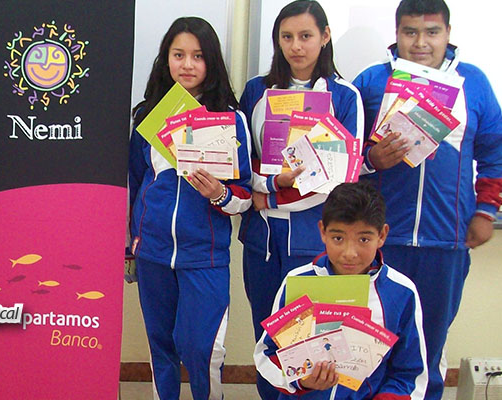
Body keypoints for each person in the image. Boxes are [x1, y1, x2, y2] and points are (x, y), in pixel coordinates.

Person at [352, 1, 502, 398]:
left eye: (432, 32)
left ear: (448, 34)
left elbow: (495, 153)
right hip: (380, 240)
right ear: (397, 33)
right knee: (368, 346)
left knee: (428, 348)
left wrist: (486, 211)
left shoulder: (474, 83)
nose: (421, 42)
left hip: (445, 243)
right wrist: (371, 158)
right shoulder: (371, 82)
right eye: (410, 32)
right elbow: (341, 149)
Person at [237, 2, 363, 398]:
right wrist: (268, 186)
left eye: (306, 36)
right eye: (287, 37)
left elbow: (344, 179)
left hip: (314, 239)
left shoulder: (345, 96)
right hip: (262, 242)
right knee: (268, 340)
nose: (296, 46)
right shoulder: (256, 91)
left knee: (312, 345)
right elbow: (241, 164)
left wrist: (271, 195)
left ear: (324, 37)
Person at [127, 17, 253, 399]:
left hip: (204, 256)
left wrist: (218, 193)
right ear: (165, 58)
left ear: (211, 61)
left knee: (204, 350)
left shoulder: (231, 119)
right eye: (178, 55)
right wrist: (130, 243)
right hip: (153, 253)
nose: (187, 64)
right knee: (160, 346)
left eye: (198, 56)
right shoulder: (148, 116)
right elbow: (134, 182)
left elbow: (245, 196)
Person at [254, 182, 428, 399]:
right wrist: (301, 381)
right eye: (338, 238)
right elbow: (267, 354)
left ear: (382, 235)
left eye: (364, 239)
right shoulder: (297, 281)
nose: (350, 253)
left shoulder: (401, 292)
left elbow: (410, 374)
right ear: (322, 232)